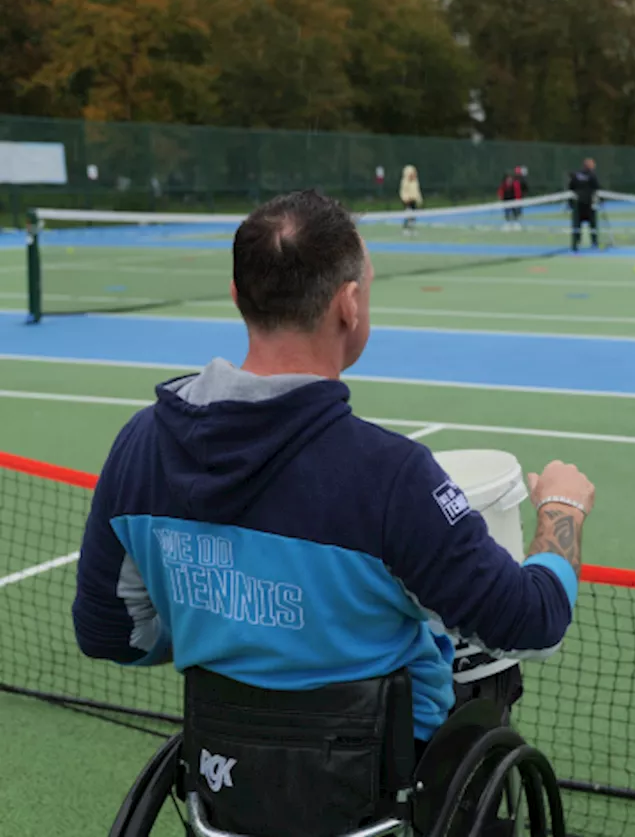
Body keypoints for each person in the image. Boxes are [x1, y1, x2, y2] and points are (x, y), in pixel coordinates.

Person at [71, 189, 595, 752]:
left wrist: (233, 626)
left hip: (225, 768)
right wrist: (560, 508)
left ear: (236, 295)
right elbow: (533, 622)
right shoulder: (391, 476)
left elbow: (112, 635)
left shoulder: (139, 446)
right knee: (483, 670)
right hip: (375, 777)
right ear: (348, 304)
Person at [567, 158, 601, 252]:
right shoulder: (592, 175)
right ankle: (592, 242)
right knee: (590, 224)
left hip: (579, 204)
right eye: (592, 165)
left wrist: (570, 203)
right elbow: (597, 188)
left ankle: (577, 243)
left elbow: (570, 188)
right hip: (586, 205)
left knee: (578, 224)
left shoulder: (576, 175)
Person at [399, 164, 422, 236]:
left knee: (413, 217)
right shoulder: (405, 181)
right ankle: (405, 229)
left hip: (414, 201)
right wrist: (405, 199)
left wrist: (419, 200)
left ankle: (412, 230)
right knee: (408, 215)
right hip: (407, 202)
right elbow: (403, 191)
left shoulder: (415, 181)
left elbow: (417, 191)